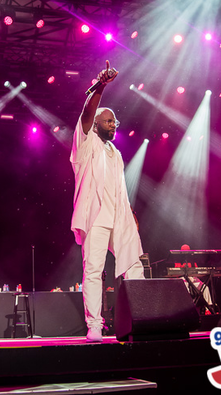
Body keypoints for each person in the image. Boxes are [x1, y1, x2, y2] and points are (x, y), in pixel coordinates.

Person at [70, 60, 145, 343]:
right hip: (96, 217)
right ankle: (95, 325)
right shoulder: (86, 144)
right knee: (94, 269)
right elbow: (87, 114)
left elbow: (118, 188)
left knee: (134, 264)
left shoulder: (115, 151)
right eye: (109, 121)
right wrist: (100, 86)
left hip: (119, 216)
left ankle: (142, 316)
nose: (114, 125)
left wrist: (130, 214)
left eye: (115, 121)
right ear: (98, 124)